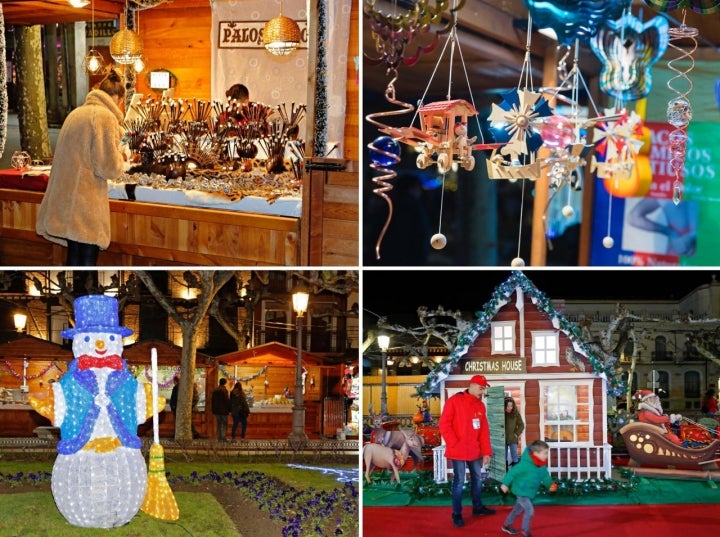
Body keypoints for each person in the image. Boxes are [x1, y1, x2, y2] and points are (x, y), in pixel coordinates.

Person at [35, 68, 126, 266]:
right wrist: (122, 156)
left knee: (73, 260)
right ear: (118, 97)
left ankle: (72, 296)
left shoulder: (76, 113)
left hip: (65, 202)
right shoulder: (105, 117)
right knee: (87, 266)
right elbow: (109, 168)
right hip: (86, 204)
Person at [438, 374, 496, 528]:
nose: (482, 392)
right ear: (472, 385)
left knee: (477, 479)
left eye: (484, 389)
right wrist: (453, 443)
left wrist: (486, 452)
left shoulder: (480, 406)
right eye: (481, 388)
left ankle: (477, 508)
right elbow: (444, 424)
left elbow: (484, 430)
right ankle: (456, 513)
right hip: (458, 450)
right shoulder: (454, 401)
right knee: (459, 481)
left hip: (475, 451)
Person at [500, 440, 557, 536]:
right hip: (521, 491)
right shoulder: (524, 465)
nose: (547, 456)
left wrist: (550, 485)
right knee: (529, 511)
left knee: (517, 510)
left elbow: (545, 476)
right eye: (545, 453)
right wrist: (504, 485)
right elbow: (512, 473)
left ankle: (506, 525)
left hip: (529, 492)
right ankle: (525, 531)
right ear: (536, 453)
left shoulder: (542, 465)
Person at [505, 396, 524, 468]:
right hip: (503, 439)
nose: (509, 407)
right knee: (504, 457)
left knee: (514, 456)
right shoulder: (502, 415)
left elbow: (521, 425)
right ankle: (505, 474)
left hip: (512, 438)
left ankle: (516, 472)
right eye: (507, 406)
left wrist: (516, 433)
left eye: (511, 406)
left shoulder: (516, 414)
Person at [211, 378, 231, 442]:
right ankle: (223, 437)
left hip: (217, 410)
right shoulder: (224, 390)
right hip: (224, 411)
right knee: (224, 424)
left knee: (219, 424)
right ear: (225, 383)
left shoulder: (215, 390)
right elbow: (227, 401)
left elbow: (213, 401)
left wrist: (213, 409)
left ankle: (218, 438)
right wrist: (229, 409)